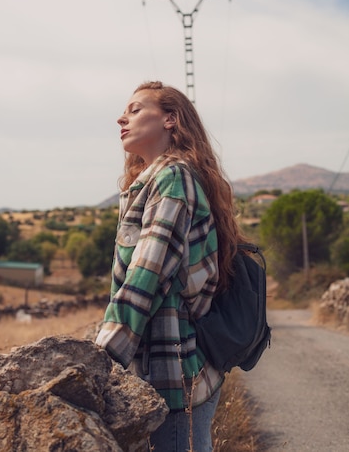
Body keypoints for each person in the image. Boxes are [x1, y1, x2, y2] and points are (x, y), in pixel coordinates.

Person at [95, 81, 246, 452]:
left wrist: (98, 359)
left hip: (176, 374)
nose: (121, 118)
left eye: (135, 109)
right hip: (159, 373)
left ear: (170, 120)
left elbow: (145, 278)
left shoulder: (173, 178)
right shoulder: (148, 184)